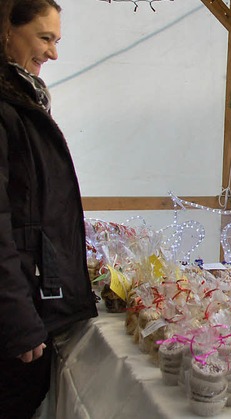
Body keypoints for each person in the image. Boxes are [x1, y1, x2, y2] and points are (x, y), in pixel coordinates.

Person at [0, 1, 98, 417]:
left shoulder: (22, 98)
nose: (53, 54)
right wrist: (18, 318)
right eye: (44, 38)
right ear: (6, 28)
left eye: (56, 41)